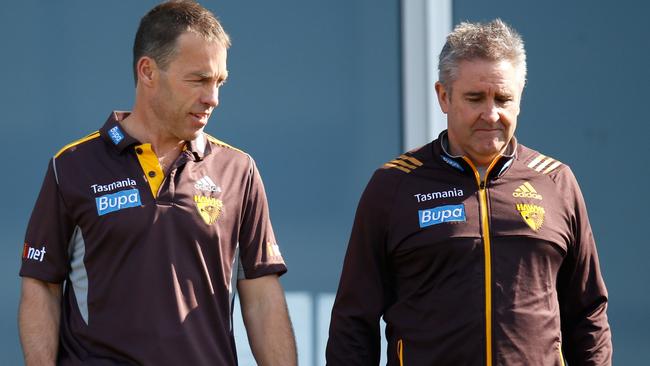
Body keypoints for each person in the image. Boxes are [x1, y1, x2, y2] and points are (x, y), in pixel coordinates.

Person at [18, 1, 297, 365]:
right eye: (198, 79)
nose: (212, 98)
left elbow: (262, 296)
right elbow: (42, 284)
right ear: (148, 71)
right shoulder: (72, 166)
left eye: (219, 82)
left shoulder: (237, 169)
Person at [326, 19, 611, 365]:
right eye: (475, 98)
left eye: (503, 99)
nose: (491, 114)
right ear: (443, 96)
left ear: (519, 100)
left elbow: (588, 314)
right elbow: (353, 324)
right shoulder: (393, 185)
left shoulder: (556, 182)